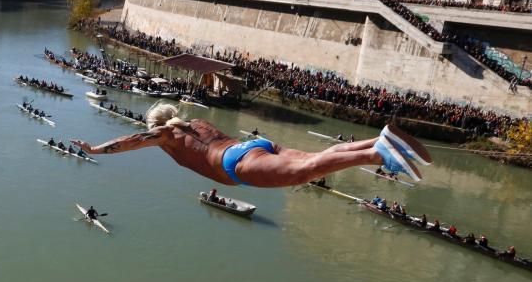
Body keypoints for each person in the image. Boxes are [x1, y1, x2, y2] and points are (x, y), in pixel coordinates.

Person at [71, 103, 431, 188]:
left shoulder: (168, 134)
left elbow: (131, 141)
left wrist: (95, 149)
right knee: (315, 159)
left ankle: (377, 154)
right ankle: (378, 138)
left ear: (156, 125)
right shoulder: (194, 122)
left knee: (307, 172)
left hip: (235, 165)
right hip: (254, 145)